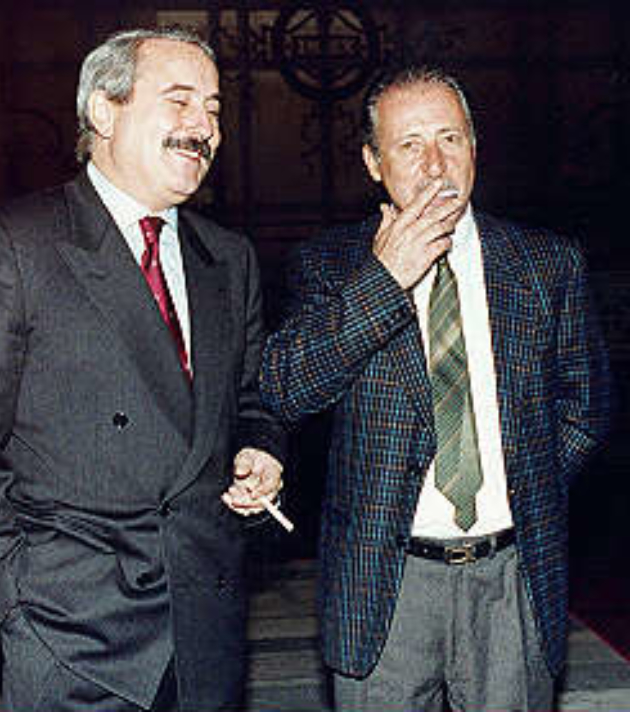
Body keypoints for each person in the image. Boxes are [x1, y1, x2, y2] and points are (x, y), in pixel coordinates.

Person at [0, 26, 287, 712]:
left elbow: (248, 402)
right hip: (72, 637)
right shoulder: (14, 244)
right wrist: (12, 607)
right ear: (103, 110)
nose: (204, 127)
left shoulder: (229, 258)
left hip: (207, 630)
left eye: (213, 109)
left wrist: (260, 449)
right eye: (179, 101)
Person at [259, 65, 612, 711]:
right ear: (373, 163)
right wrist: (384, 278)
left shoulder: (545, 263)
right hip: (384, 582)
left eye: (449, 138)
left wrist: (522, 486)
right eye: (409, 144)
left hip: (511, 578)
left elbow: (585, 409)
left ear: (474, 147)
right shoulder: (330, 265)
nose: (434, 164)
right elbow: (285, 388)